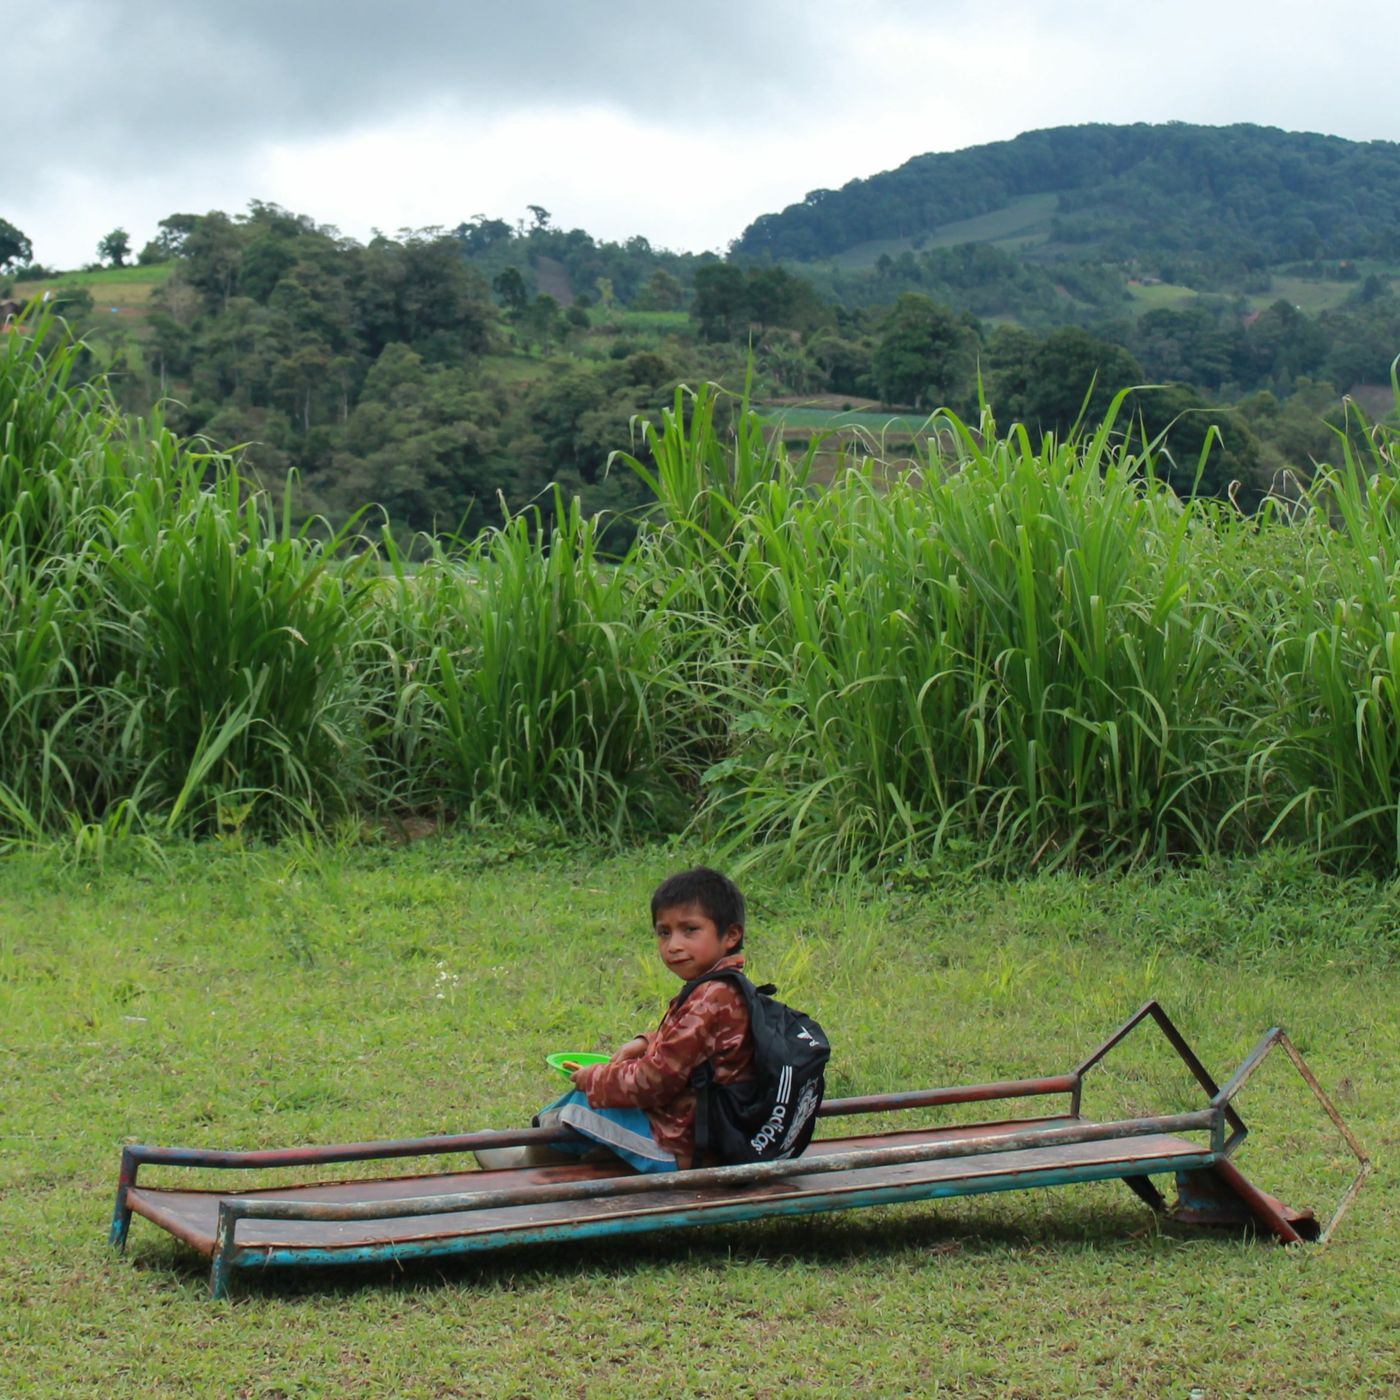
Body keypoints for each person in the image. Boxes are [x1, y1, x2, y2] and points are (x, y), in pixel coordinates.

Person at [476, 867, 754, 1174]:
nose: (674, 945)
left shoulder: (709, 998)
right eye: (664, 932)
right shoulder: (727, 988)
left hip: (688, 1150)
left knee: (580, 1106)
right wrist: (644, 1043)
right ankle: (578, 1160)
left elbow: (653, 1083)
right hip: (714, 1133)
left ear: (731, 935)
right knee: (606, 1101)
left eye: (690, 930)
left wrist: (595, 1078)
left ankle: (529, 1166)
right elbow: (696, 1047)